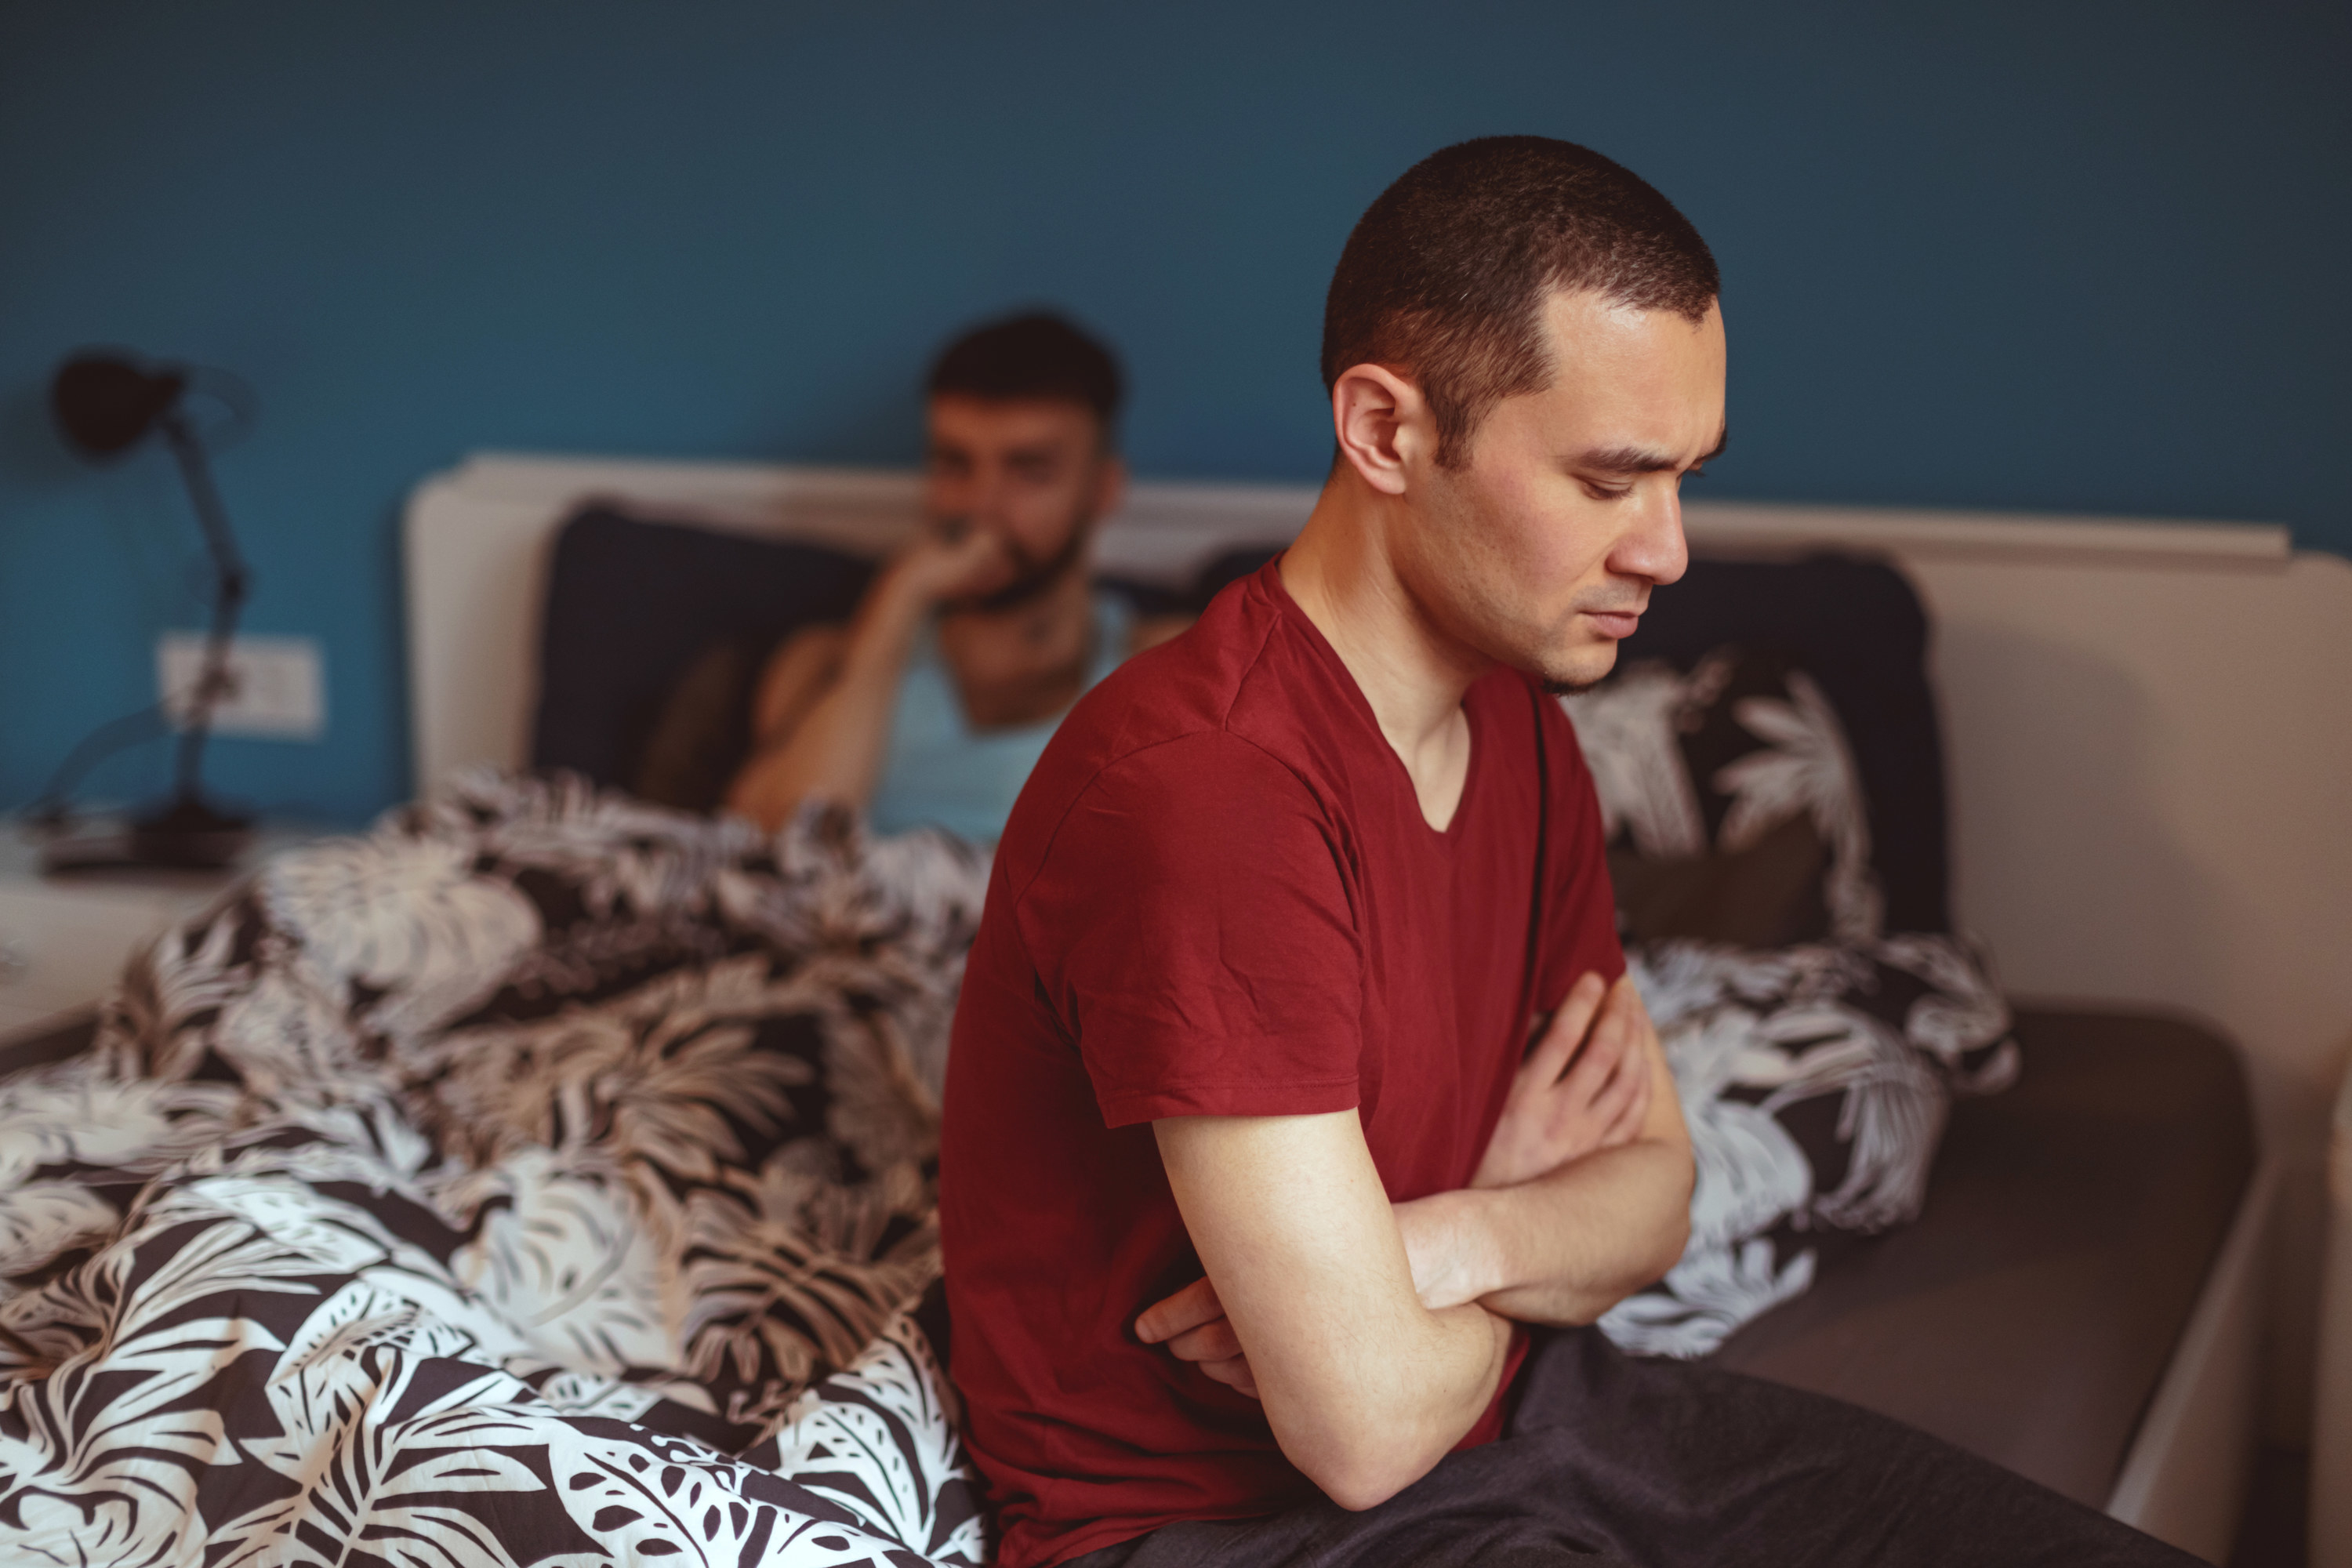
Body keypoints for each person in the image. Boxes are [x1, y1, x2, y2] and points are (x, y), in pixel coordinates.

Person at [937, 138, 2197, 1568]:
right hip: (1236, 1530)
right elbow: (1361, 1433)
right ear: (1386, 433)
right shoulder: (1211, 792)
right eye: (1611, 480)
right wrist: (1536, 1234)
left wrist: (1449, 1240)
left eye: (1684, 478)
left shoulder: (1521, 718)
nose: (1667, 550)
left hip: (1545, 1420)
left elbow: (1655, 1196)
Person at [724, 312, 1184, 840]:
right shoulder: (824, 664)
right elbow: (778, 854)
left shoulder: (1170, 665)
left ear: (1102, 490)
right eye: (954, 465)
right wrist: (898, 602)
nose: (980, 508)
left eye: (1030, 471)